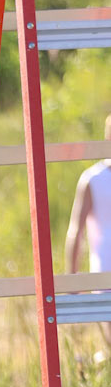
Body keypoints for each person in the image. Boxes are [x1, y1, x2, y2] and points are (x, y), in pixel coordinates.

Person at [65, 117, 111, 273]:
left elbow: (76, 231)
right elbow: (76, 231)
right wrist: (72, 277)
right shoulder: (93, 179)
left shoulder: (92, 178)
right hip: (104, 274)